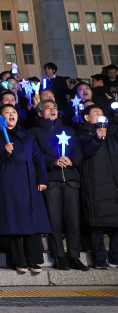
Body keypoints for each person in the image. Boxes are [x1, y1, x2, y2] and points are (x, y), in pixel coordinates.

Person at [0, 104, 51, 273]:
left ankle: (34, 259)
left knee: (32, 222)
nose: (11, 115)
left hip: (30, 182)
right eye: (7, 112)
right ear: (1, 118)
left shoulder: (28, 134)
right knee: (13, 222)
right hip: (9, 182)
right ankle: (18, 260)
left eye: (14, 112)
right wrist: (6, 152)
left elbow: (38, 158)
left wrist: (42, 179)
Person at [30, 100, 88, 271]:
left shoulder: (69, 130)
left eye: (54, 108)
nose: (52, 110)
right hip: (52, 179)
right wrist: (53, 162)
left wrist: (71, 160)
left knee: (73, 220)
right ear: (40, 113)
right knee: (54, 221)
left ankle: (74, 256)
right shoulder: (35, 132)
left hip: (70, 179)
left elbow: (78, 150)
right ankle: (59, 256)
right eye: (48, 108)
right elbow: (36, 155)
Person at [76, 106, 118, 269]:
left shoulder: (112, 134)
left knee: (116, 222)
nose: (100, 115)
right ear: (87, 117)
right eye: (96, 113)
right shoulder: (81, 133)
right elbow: (83, 153)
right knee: (96, 224)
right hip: (94, 184)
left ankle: (115, 257)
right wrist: (96, 138)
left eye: (101, 113)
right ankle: (99, 259)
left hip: (112, 184)